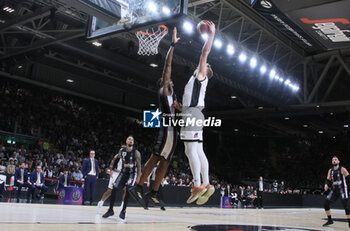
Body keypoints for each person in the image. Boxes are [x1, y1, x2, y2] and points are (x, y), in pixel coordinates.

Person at [129, 27, 180, 209]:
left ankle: (155, 191)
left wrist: (180, 108)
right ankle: (138, 186)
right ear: (163, 83)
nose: (171, 82)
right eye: (168, 81)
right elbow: (168, 66)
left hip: (174, 134)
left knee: (165, 162)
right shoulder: (164, 91)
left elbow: (182, 111)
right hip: (166, 131)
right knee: (155, 158)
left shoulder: (173, 98)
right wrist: (172, 44)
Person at [179, 21, 216, 205]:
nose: (203, 64)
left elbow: (204, 53)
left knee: (190, 149)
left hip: (192, 115)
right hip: (194, 114)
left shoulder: (201, 75)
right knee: (198, 150)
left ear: (206, 71)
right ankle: (207, 183)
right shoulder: (195, 80)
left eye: (206, 65)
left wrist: (211, 34)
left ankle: (197, 184)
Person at [102, 136, 141, 221]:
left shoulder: (136, 152)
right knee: (114, 188)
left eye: (132, 140)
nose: (131, 140)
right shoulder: (121, 151)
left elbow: (139, 165)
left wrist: (138, 177)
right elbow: (116, 160)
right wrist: (111, 170)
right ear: (126, 141)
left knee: (127, 189)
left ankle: (123, 211)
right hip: (123, 173)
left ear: (133, 143)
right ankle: (110, 210)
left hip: (132, 174)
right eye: (129, 139)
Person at [322, 156, 350, 228]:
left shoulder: (342, 169)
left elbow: (348, 178)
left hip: (343, 189)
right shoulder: (330, 170)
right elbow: (328, 180)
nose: (334, 161)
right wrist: (326, 185)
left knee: (346, 206)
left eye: (335, 160)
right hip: (334, 190)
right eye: (333, 160)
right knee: (326, 204)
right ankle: (330, 220)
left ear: (338, 161)